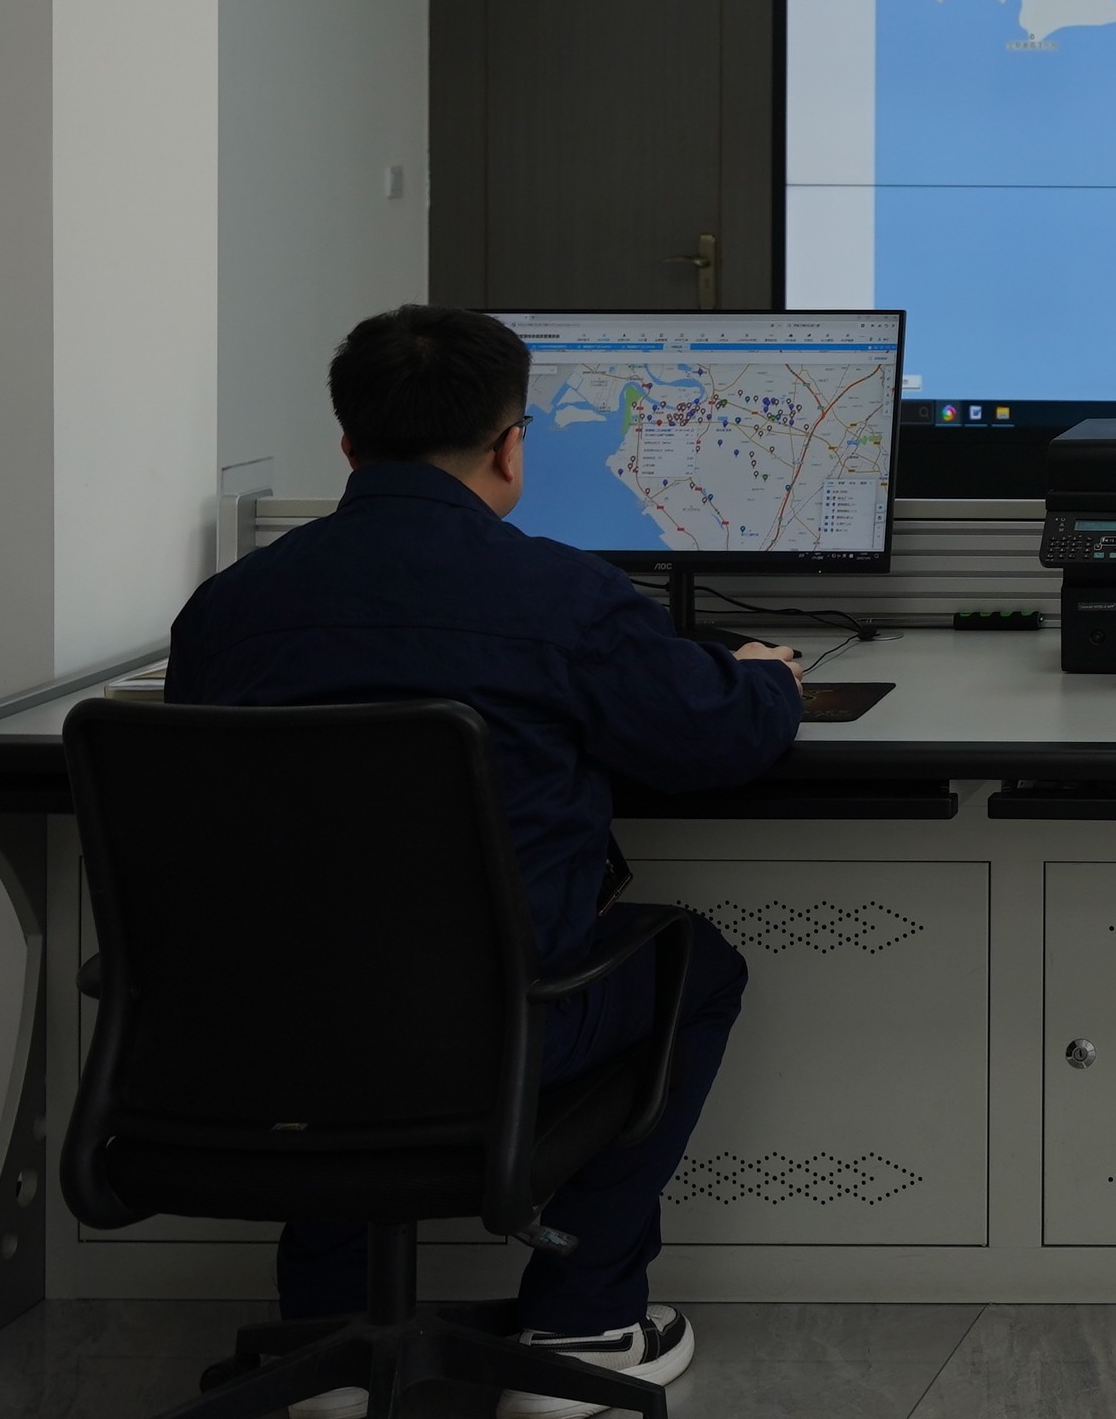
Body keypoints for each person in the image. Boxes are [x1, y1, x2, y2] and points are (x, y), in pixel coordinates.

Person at [167, 306, 805, 1419]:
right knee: (693, 964)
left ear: (349, 445)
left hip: (261, 1033)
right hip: (501, 1028)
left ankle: (324, 1329)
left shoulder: (225, 611)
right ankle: (585, 1316)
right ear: (511, 446)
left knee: (336, 959)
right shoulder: (557, 597)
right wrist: (766, 678)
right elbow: (715, 740)